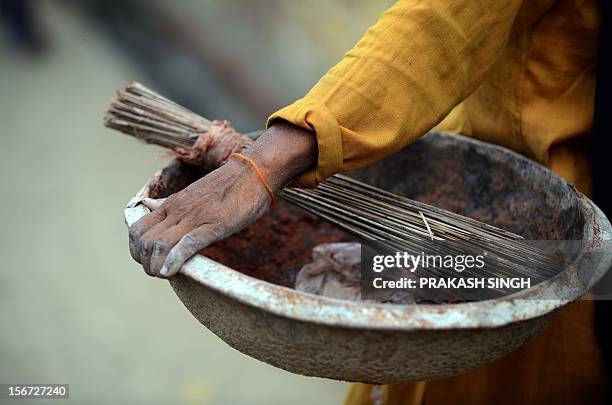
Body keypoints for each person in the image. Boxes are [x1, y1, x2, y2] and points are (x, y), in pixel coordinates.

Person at [129, 0, 608, 403]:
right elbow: (441, 24)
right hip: (504, 237)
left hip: (559, 250)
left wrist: (261, 164)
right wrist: (263, 163)